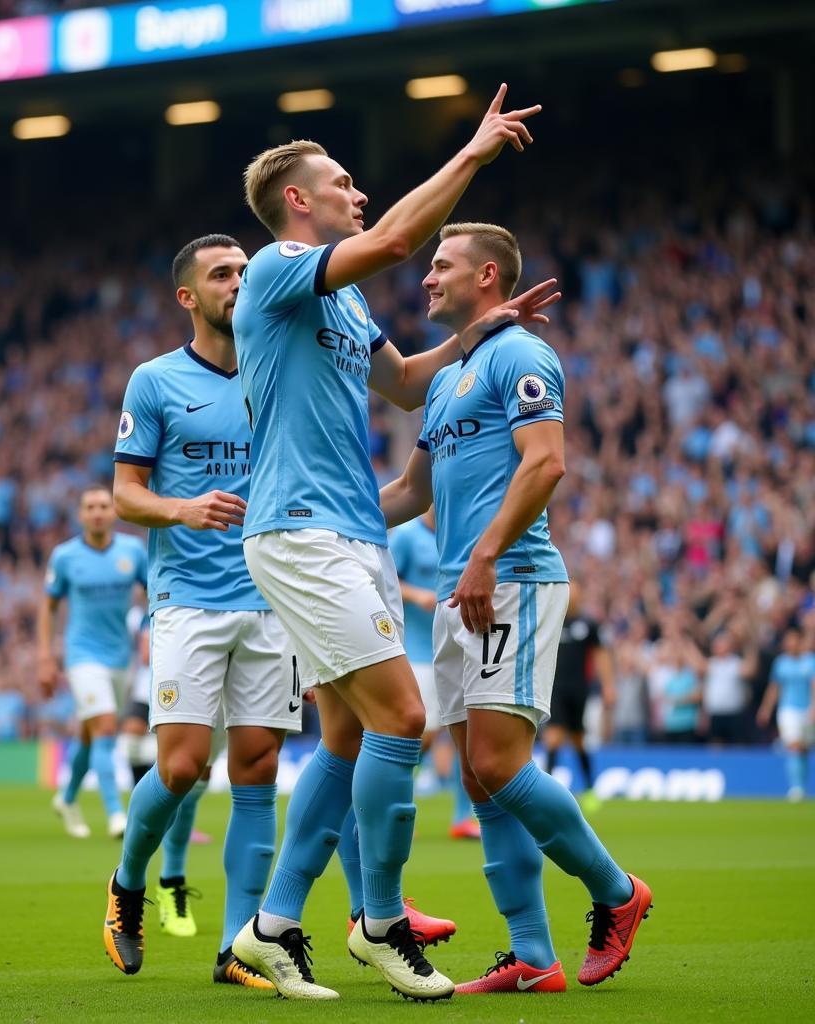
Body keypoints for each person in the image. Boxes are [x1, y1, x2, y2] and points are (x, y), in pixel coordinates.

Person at [229, 84, 550, 1002]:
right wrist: (474, 152)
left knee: (343, 738)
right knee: (403, 719)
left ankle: (274, 926)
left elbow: (405, 386)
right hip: (300, 532)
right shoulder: (275, 267)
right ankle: (379, 921)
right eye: (341, 181)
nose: (357, 191)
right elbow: (401, 239)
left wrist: (480, 335)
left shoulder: (346, 301)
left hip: (354, 530)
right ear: (299, 201)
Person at [379, 221, 652, 995]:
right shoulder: (443, 379)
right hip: (466, 585)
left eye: (442, 266)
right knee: (476, 776)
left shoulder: (524, 355)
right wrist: (319, 519)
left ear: (488, 277)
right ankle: (532, 956)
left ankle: (617, 892)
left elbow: (547, 461)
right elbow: (410, 493)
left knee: (499, 762)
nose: (427, 278)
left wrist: (488, 552)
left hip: (513, 577)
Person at [104, 234, 302, 990]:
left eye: (247, 272)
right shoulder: (154, 381)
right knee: (183, 766)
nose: (239, 283)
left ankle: (237, 947)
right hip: (187, 597)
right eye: (223, 274)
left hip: (273, 598)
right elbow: (126, 493)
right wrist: (183, 509)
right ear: (188, 295)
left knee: (257, 768)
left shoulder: (279, 369)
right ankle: (127, 885)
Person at [38, 485, 148, 839]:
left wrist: (148, 628)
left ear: (114, 511)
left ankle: (67, 798)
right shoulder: (65, 556)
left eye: (104, 505)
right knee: (103, 728)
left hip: (120, 657)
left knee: (90, 735)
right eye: (91, 507)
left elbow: (156, 591)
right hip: (82, 655)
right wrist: (45, 656)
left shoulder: (133, 551)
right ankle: (117, 814)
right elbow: (49, 606)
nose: (98, 512)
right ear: (81, 515)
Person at [390, 506, 480, 838]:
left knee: (466, 735)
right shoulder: (408, 535)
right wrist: (416, 595)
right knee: (420, 736)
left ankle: (462, 817)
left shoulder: (460, 532)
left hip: (459, 648)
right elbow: (384, 579)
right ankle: (394, 807)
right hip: (417, 651)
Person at [543, 580, 615, 811]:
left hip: (579, 690)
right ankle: (548, 794)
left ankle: (591, 789)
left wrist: (608, 686)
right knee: (553, 738)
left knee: (578, 741)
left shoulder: (588, 625)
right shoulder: (550, 620)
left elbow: (601, 655)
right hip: (553, 689)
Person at [757, 629, 815, 801]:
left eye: (794, 640)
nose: (791, 644)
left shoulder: (810, 661)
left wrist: (813, 707)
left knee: (803, 748)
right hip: (787, 710)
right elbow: (774, 688)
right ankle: (796, 787)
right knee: (794, 746)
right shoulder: (781, 663)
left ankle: (801, 785)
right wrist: (766, 708)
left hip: (806, 709)